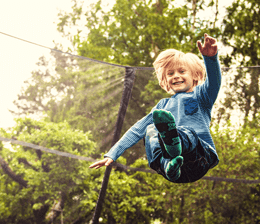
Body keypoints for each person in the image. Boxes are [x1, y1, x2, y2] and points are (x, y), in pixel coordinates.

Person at [89, 33, 222, 183]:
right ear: (165, 80)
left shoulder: (201, 96)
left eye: (182, 71)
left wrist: (211, 59)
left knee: (187, 132)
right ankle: (168, 165)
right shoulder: (163, 107)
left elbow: (214, 84)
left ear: (195, 75)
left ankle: (175, 144)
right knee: (151, 129)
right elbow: (136, 129)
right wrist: (112, 154)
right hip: (177, 169)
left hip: (199, 158)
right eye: (170, 73)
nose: (176, 76)